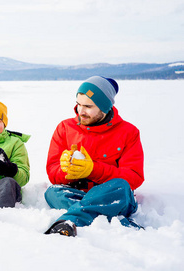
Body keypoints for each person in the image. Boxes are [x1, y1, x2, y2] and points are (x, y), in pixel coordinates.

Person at [44, 76, 144, 237]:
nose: (80, 111)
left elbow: (134, 177)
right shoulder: (65, 128)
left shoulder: (128, 132)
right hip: (79, 193)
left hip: (113, 194)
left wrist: (93, 170)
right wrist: (66, 170)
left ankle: (69, 221)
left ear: (104, 107)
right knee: (52, 192)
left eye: (88, 106)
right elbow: (53, 174)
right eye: (79, 104)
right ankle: (112, 218)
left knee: (121, 186)